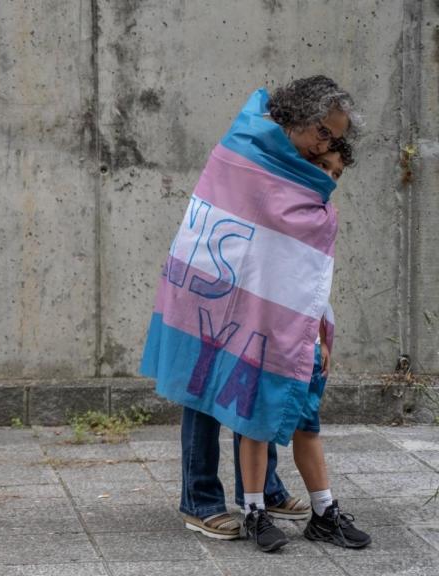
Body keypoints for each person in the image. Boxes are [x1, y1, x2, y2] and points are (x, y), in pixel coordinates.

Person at [142, 75, 360, 551]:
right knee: (205, 385)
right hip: (212, 286)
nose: (329, 143)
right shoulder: (246, 145)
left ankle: (263, 492)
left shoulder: (305, 165)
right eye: (324, 131)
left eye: (336, 137)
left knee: (261, 374)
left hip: (264, 292)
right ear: (299, 116)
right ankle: (199, 501)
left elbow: (291, 244)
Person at [232, 138, 371, 550]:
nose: (328, 177)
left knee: (307, 426)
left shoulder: (325, 216)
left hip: (304, 338)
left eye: (336, 173)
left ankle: (324, 513)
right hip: (264, 334)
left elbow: (317, 281)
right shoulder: (271, 207)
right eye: (322, 166)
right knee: (255, 425)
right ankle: (254, 513)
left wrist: (321, 334)